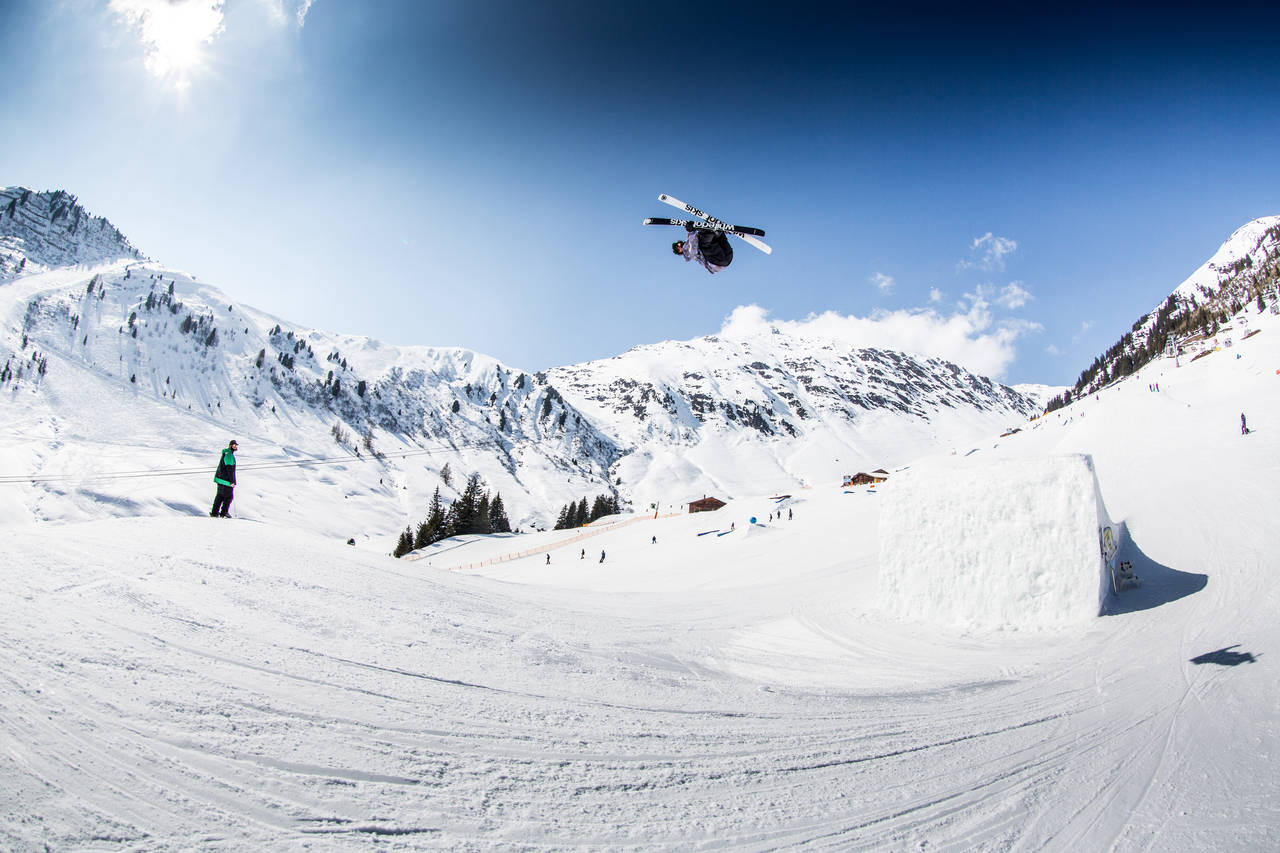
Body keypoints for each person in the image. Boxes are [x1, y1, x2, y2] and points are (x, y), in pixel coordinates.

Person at [210, 439, 237, 518]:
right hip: (226, 480)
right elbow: (230, 469)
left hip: (220, 479)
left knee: (220, 496)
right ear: (230, 446)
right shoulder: (229, 455)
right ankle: (224, 513)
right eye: (234, 445)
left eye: (236, 445)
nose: (235, 447)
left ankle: (214, 512)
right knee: (228, 497)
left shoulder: (226, 453)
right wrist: (232, 481)